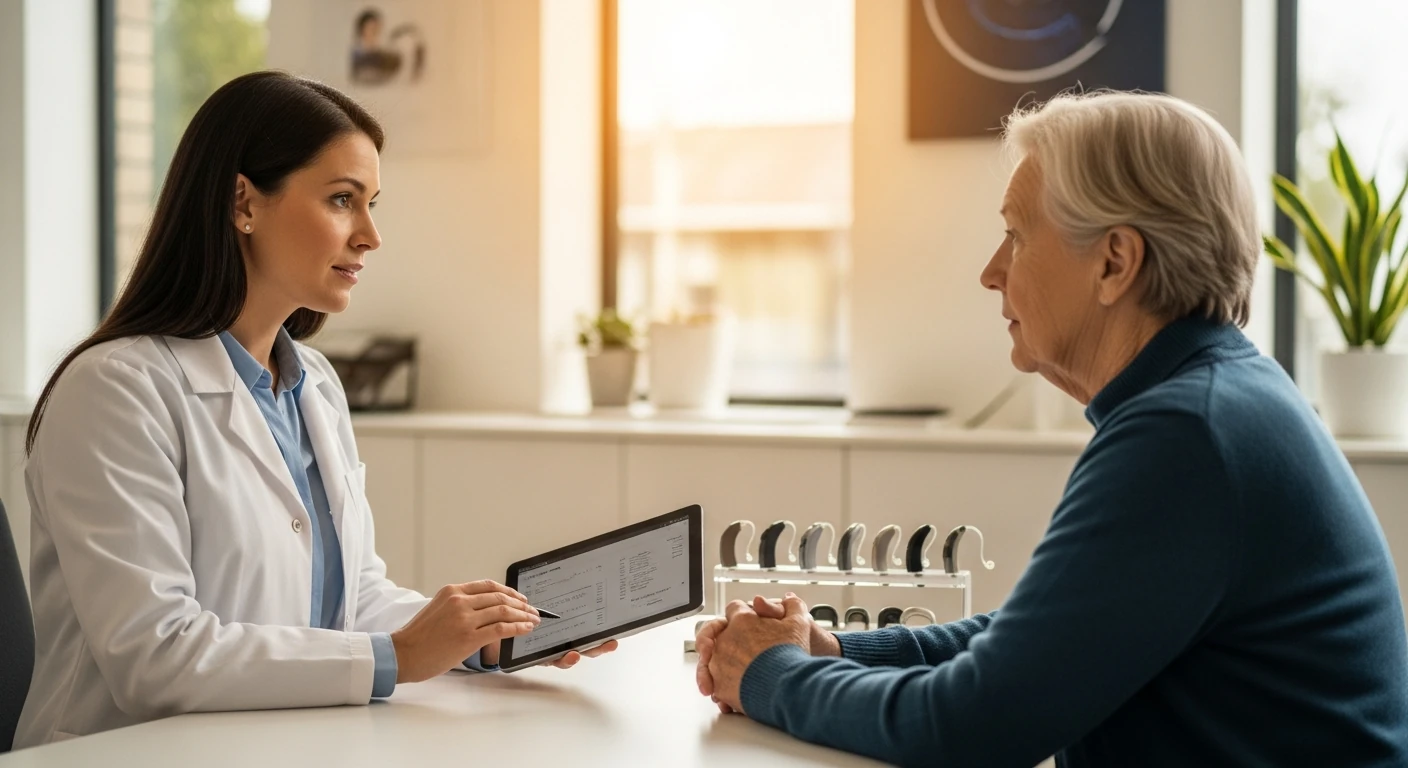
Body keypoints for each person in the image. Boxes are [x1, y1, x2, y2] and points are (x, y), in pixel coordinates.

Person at [694, 91, 1408, 767]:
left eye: (1015, 236)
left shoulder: (1187, 434)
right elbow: (1046, 639)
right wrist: (833, 651)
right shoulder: (1214, 401)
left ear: (1114, 262)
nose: (991, 273)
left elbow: (968, 728)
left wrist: (769, 671)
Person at [15, 71, 614, 749]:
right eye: (341, 200)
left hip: (285, 743)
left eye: (372, 205)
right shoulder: (115, 390)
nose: (369, 236)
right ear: (243, 202)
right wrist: (399, 657)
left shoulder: (315, 384)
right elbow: (156, 657)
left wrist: (476, 638)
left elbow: (348, 601)